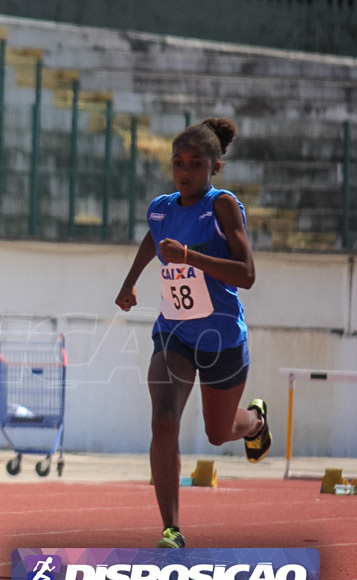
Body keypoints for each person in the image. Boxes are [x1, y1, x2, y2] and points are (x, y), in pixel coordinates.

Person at [114, 117, 271, 550]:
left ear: (214, 168)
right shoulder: (162, 207)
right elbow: (155, 237)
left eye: (195, 164)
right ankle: (172, 529)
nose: (185, 171)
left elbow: (247, 275)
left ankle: (255, 421)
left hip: (221, 337)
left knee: (219, 432)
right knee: (164, 420)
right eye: (178, 163)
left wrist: (189, 257)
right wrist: (131, 281)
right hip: (175, 335)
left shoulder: (222, 206)